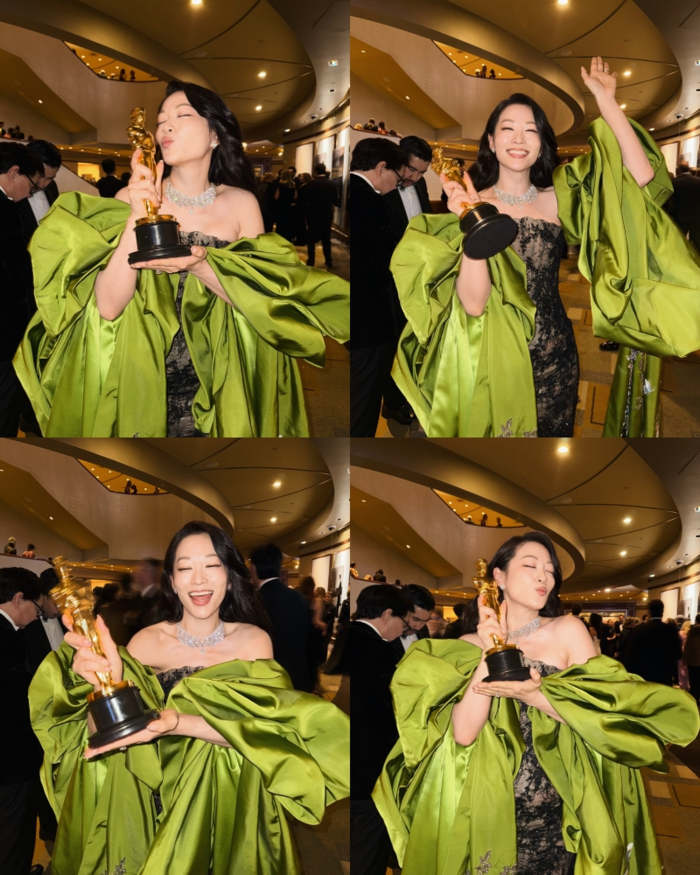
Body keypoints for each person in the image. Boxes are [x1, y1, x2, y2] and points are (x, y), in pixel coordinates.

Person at [13, 80, 349, 438]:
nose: (165, 127)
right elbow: (108, 307)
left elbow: (257, 303)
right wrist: (139, 213)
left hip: (219, 369)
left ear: (215, 134)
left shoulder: (241, 204)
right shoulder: (131, 196)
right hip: (143, 368)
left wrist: (201, 266)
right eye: (161, 120)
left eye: (182, 115)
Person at [390, 58, 700, 438]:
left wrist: (605, 101)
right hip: (498, 357)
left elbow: (640, 176)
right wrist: (473, 220)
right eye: (507, 128)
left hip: (556, 355)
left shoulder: (559, 197)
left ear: (541, 144)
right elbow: (473, 304)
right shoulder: (471, 204)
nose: (519, 139)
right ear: (491, 141)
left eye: (531, 130)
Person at [30, 521, 349, 875]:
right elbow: (103, 734)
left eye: (212, 564)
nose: (198, 579)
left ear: (230, 577)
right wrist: (105, 685)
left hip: (225, 801)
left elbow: (264, 734)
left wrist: (180, 723)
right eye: (185, 568)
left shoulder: (253, 642)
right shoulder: (146, 643)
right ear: (171, 580)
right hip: (156, 797)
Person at [373, 532, 700, 875]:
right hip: (485, 804)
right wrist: (492, 645)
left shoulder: (567, 630)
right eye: (530, 566)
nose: (544, 576)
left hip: (552, 806)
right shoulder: (469, 643)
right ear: (498, 576)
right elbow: (464, 733)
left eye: (550, 570)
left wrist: (534, 697)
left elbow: (599, 718)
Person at [332, 584, 412, 875]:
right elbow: (391, 711)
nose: (403, 631)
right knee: (368, 844)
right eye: (404, 623)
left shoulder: (348, 635)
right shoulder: (379, 650)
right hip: (369, 764)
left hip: (341, 750)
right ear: (388, 614)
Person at [349, 136, 408, 436]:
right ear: (381, 167)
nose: (397, 185)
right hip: (370, 321)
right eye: (398, 177)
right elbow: (387, 263)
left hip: (350, 317)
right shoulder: (372, 203)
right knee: (364, 401)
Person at [381, 135, 433, 425]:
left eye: (422, 172)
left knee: (414, 336)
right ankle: (392, 402)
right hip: (390, 278)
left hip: (419, 276)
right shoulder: (382, 187)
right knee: (393, 340)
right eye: (412, 169)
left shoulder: (420, 184)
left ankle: (411, 392)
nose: (415, 178)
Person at [0, 567, 46, 875]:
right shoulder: (8, 640)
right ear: (19, 599)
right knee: (13, 838)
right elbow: (23, 702)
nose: (37, 615)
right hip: (11, 760)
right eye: (36, 607)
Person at [0, 142, 42, 437]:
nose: (30, 193)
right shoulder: (5, 210)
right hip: (3, 328)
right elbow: (21, 271)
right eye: (32, 184)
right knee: (4, 407)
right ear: (14, 172)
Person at [250, 542, 312, 691]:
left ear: (254, 568)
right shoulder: (299, 598)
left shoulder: (253, 601)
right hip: (298, 676)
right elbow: (308, 640)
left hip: (267, 681)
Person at [619, 598, 682, 685]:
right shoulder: (671, 630)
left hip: (643, 674)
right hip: (664, 674)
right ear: (662, 611)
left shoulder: (638, 630)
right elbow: (677, 654)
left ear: (648, 612)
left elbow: (630, 654)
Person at [17, 140, 61, 239]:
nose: (42, 184)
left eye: (49, 178)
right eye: (40, 176)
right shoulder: (11, 191)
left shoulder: (52, 186)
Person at [303, 163, 339, 269]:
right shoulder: (331, 184)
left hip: (313, 213)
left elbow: (305, 199)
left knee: (311, 238)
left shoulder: (311, 184)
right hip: (326, 213)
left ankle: (311, 260)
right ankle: (328, 260)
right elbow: (335, 199)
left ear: (315, 172)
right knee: (326, 238)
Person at [390, 583, 434, 658]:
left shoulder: (424, 629)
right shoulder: (384, 633)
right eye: (415, 619)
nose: (419, 627)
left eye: (425, 621)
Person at [670, 160, 700, 251]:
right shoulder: (698, 181)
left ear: (679, 170)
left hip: (680, 216)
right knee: (697, 242)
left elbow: (672, 201)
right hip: (696, 216)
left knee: (680, 241)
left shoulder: (674, 182)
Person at [274, 168, 296, 241]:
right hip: (288, 205)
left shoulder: (280, 184)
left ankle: (280, 237)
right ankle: (288, 237)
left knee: (280, 222)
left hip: (280, 205)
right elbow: (295, 196)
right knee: (288, 222)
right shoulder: (293, 184)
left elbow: (276, 197)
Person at [683, 613, 700, 703]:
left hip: (693, 661)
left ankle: (694, 699)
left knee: (693, 682)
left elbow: (687, 647)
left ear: (696, 621)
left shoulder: (692, 632)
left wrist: (685, 659)